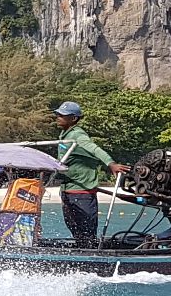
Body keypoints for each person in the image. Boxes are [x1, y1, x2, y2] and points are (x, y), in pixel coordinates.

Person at [51, 101, 128, 245]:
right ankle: (81, 250)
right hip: (67, 190)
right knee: (74, 228)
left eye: (62, 115)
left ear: (73, 118)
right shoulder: (64, 135)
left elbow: (94, 149)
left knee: (87, 230)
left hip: (82, 192)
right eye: (58, 114)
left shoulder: (78, 136)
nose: (58, 117)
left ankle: (90, 254)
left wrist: (111, 164)